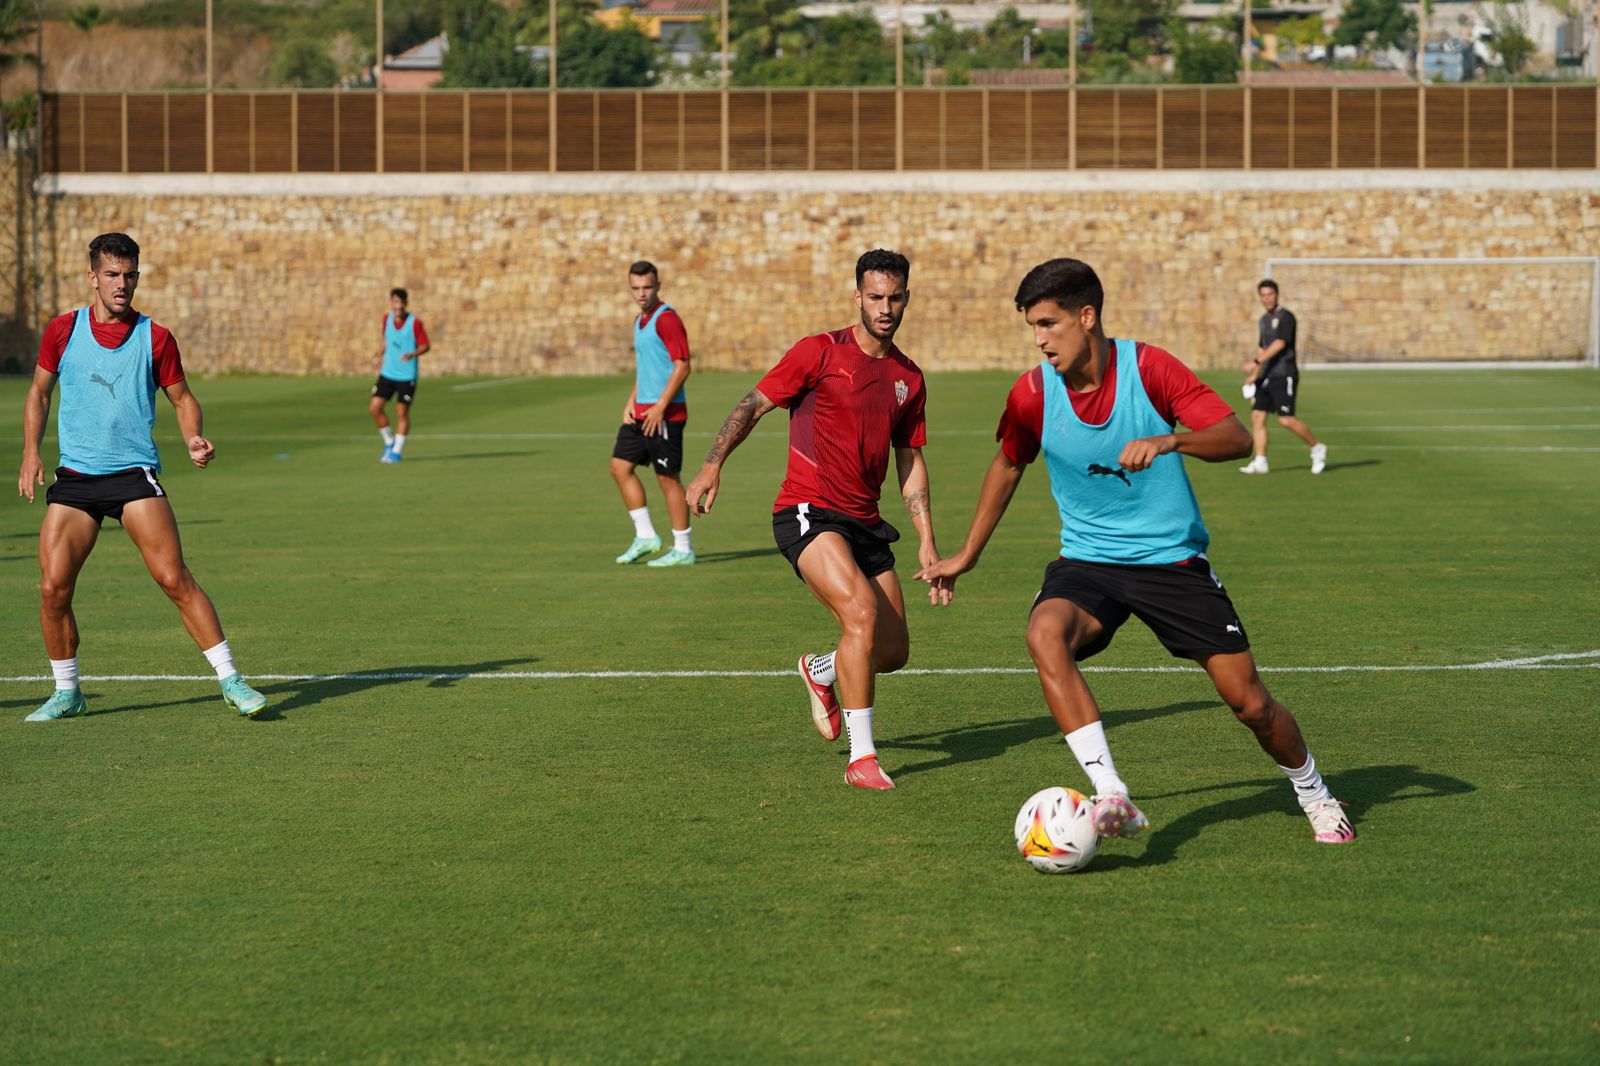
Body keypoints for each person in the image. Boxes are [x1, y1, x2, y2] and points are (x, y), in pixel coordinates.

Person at [916, 258, 1354, 845]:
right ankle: (1112, 795)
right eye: (1033, 328)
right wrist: (967, 552)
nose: (1040, 340)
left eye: (1049, 323)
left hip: (1171, 562)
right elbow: (1009, 462)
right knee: (1044, 632)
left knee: (1250, 705)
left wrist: (1171, 438)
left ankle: (1314, 793)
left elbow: (1237, 437)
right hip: (1088, 562)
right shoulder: (1031, 394)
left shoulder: (1150, 369)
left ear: (1087, 316)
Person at [684, 250, 950, 790]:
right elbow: (751, 405)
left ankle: (822, 670)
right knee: (860, 614)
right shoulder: (819, 352)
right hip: (807, 511)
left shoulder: (909, 377)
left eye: (895, 297)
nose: (885, 307)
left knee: (893, 652)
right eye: (875, 297)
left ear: (906, 298)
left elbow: (910, 459)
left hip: (866, 522)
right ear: (857, 297)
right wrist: (712, 465)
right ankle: (862, 759)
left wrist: (927, 540)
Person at [16, 232, 268, 721]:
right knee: (52, 588)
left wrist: (194, 436)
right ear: (93, 277)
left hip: (133, 475)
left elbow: (182, 398)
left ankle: (232, 681)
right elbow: (39, 393)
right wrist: (31, 452)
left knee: (174, 578)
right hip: (76, 479)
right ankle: (67, 692)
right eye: (112, 274)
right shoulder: (63, 331)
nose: (122, 284)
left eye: (130, 275)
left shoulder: (155, 337)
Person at [611, 260, 696, 567]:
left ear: (658, 286)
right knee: (619, 467)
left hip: (665, 415)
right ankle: (646, 536)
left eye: (647, 287)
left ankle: (683, 548)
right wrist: (632, 400)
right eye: (635, 288)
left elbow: (683, 365)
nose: (641, 293)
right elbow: (646, 368)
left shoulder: (667, 319)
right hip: (641, 413)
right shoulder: (639, 320)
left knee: (667, 480)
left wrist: (660, 406)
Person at [1239, 279, 1326, 475]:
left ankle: (1317, 448)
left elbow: (1279, 344)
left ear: (1277, 295)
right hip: (1267, 375)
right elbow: (1263, 346)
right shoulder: (1263, 320)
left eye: (1270, 294)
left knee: (1286, 419)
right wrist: (1255, 375)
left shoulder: (1287, 318)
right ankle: (1261, 461)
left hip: (1284, 373)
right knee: (1257, 416)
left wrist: (1255, 361)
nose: (1267, 298)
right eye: (1263, 295)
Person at [369, 287, 430, 464]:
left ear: (405, 304)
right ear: (392, 303)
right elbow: (386, 340)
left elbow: (425, 345)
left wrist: (412, 354)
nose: (398, 306)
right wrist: (378, 354)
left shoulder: (415, 323)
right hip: (388, 373)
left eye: (401, 303)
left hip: (406, 375)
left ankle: (396, 451)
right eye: (395, 302)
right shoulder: (386, 319)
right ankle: (389, 441)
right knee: (374, 407)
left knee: (401, 411)